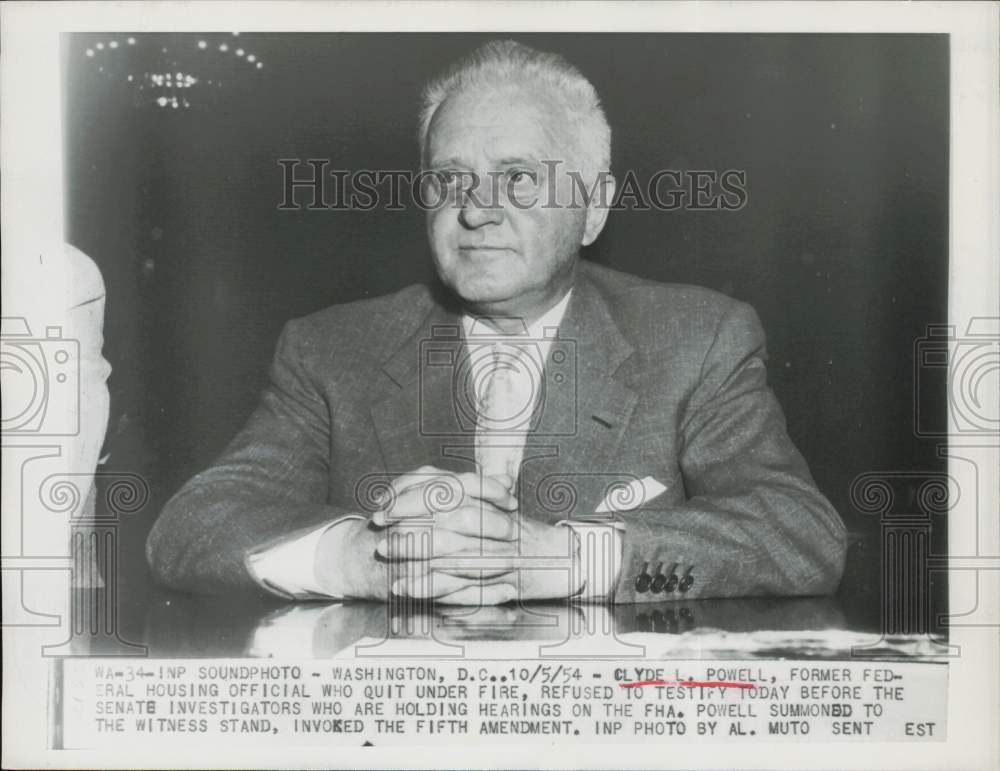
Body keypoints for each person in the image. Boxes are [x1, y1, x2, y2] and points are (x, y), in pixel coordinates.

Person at [147, 40, 846, 604]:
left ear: (594, 207)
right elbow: (188, 527)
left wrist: (565, 557)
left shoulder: (697, 339)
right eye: (450, 180)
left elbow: (801, 533)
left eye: (517, 178)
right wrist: (361, 559)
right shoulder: (331, 349)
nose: (475, 209)